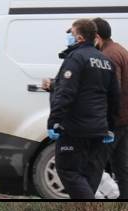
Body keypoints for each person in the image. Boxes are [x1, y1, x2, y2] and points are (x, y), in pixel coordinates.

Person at [47, 19, 121, 199]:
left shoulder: (76, 58)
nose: (68, 38)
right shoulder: (106, 62)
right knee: (88, 174)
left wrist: (54, 121)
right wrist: (109, 128)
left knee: (68, 171)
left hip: (75, 129)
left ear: (79, 38)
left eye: (71, 34)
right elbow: (115, 98)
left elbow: (65, 93)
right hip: (97, 130)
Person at [91, 17, 128, 198]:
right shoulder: (120, 49)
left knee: (95, 166)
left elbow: (113, 91)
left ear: (97, 36)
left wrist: (105, 124)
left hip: (114, 122)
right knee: (122, 168)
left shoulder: (108, 56)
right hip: (125, 118)